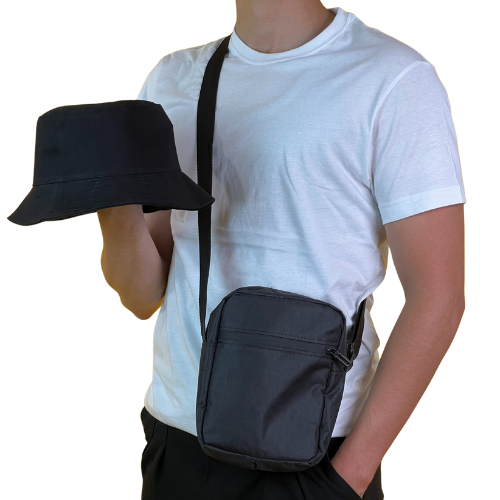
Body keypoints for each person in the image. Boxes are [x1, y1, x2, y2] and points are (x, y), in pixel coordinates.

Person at [97, 2, 466, 499]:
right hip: (179, 442)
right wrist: (112, 204)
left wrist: (346, 480)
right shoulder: (173, 80)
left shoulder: (393, 79)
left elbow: (439, 297)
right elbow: (142, 296)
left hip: (314, 451)